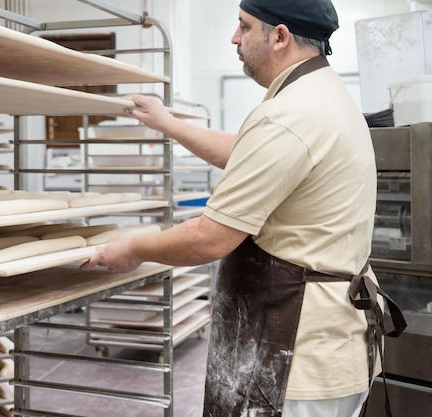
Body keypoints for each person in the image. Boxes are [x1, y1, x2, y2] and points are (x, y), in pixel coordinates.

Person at [82, 0, 406, 416]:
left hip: (294, 356)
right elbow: (249, 152)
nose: (234, 37)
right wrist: (168, 123)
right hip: (331, 343)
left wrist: (133, 248)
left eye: (244, 26)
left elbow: (210, 238)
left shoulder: (289, 115)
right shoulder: (323, 94)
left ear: (280, 36)